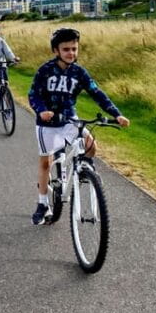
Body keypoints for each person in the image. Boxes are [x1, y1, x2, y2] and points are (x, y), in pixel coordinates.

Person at [28, 28, 130, 225]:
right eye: (66, 49)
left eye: (74, 49)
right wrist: (41, 110)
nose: (71, 53)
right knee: (46, 163)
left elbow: (97, 93)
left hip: (69, 120)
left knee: (91, 146)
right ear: (56, 51)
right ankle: (42, 203)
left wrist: (117, 114)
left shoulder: (79, 72)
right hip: (47, 124)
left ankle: (85, 170)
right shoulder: (45, 70)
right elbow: (33, 94)